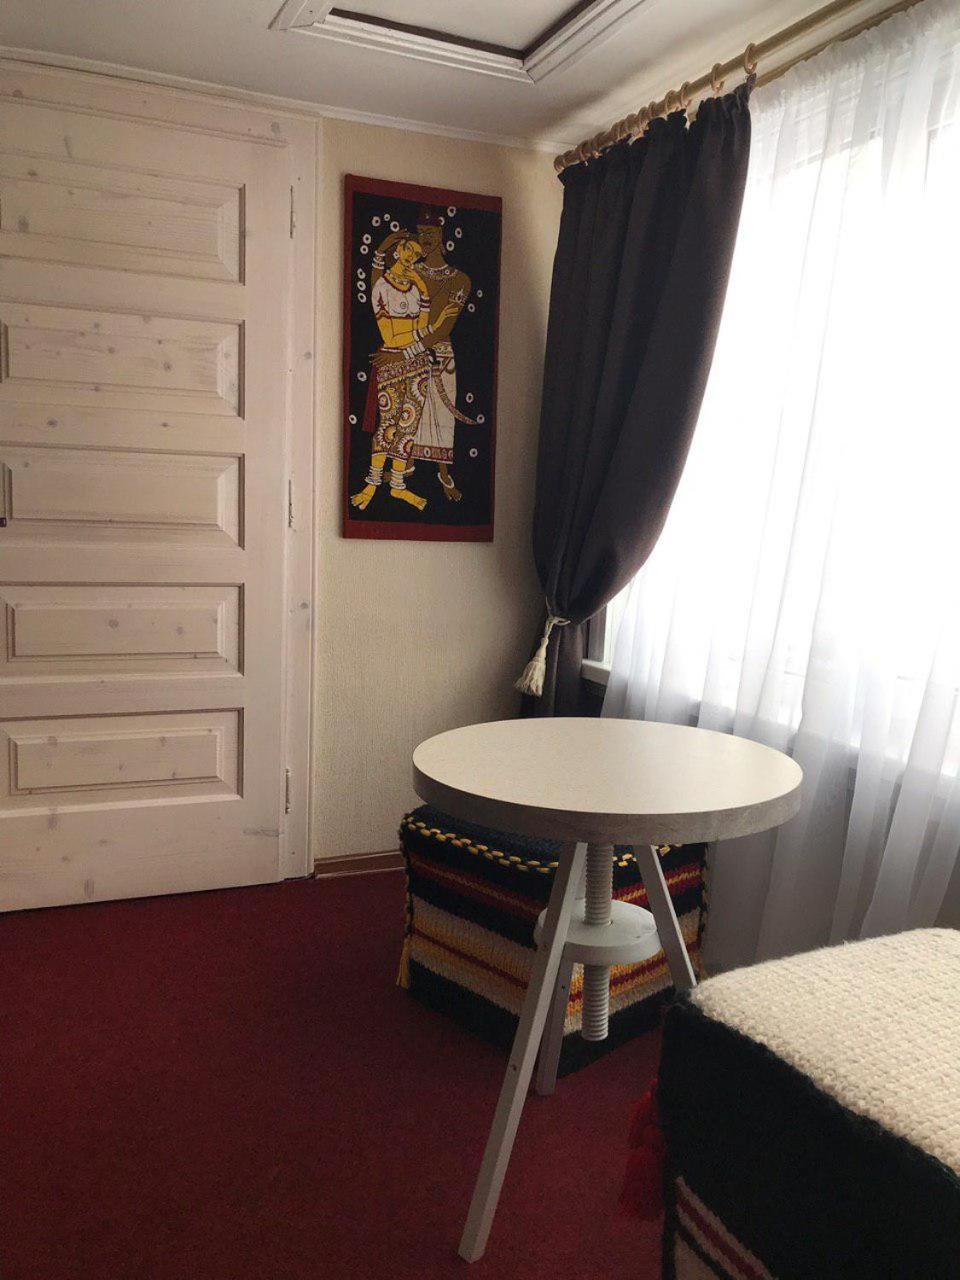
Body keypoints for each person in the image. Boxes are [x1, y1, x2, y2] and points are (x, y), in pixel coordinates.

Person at [351, 229, 460, 513]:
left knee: (408, 426)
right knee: (388, 425)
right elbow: (391, 336)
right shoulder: (382, 287)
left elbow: (419, 327)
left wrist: (423, 294)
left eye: (417, 253)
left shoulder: (414, 287)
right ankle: (372, 483)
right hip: (393, 363)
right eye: (408, 250)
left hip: (418, 365)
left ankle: (398, 485)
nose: (412, 256)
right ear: (397, 251)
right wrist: (429, 331)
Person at [408, 207, 473, 502]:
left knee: (442, 414)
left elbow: (447, 324)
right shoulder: (409, 273)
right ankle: (405, 463)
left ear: (441, 234)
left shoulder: (459, 279)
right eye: (421, 233)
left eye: (431, 233)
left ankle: (444, 473)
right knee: (409, 410)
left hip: (440, 354)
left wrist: (419, 346)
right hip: (410, 350)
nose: (426, 238)